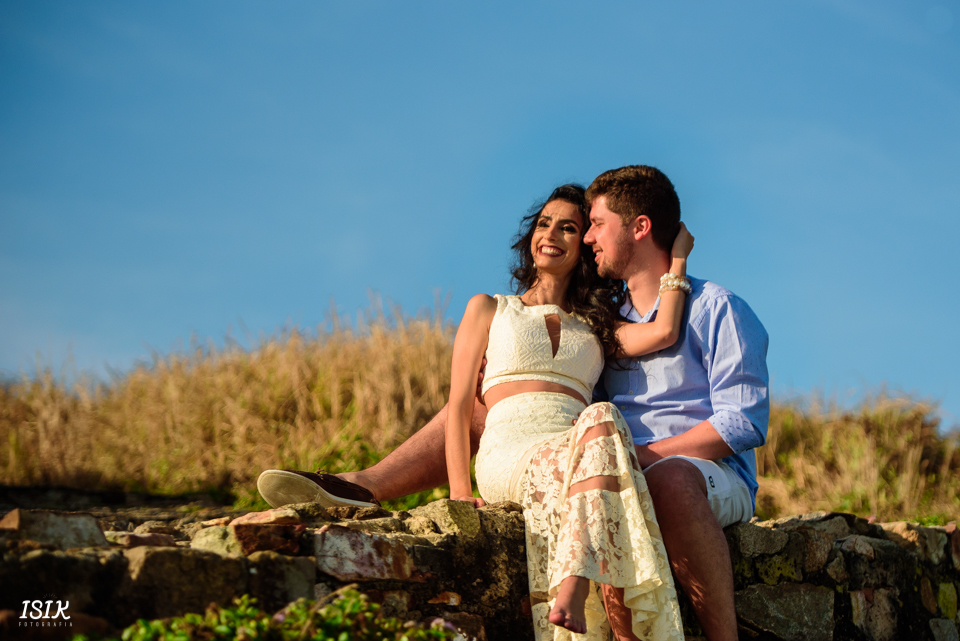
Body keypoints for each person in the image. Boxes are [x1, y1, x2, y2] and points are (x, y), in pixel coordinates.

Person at [258, 166, 769, 641]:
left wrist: (677, 262)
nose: (586, 237)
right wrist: (467, 475)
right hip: (584, 454)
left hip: (682, 469)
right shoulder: (576, 312)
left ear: (639, 228)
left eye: (588, 226)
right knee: (497, 411)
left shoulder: (687, 312)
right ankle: (360, 485)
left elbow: (739, 418)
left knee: (643, 468)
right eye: (553, 224)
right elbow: (471, 403)